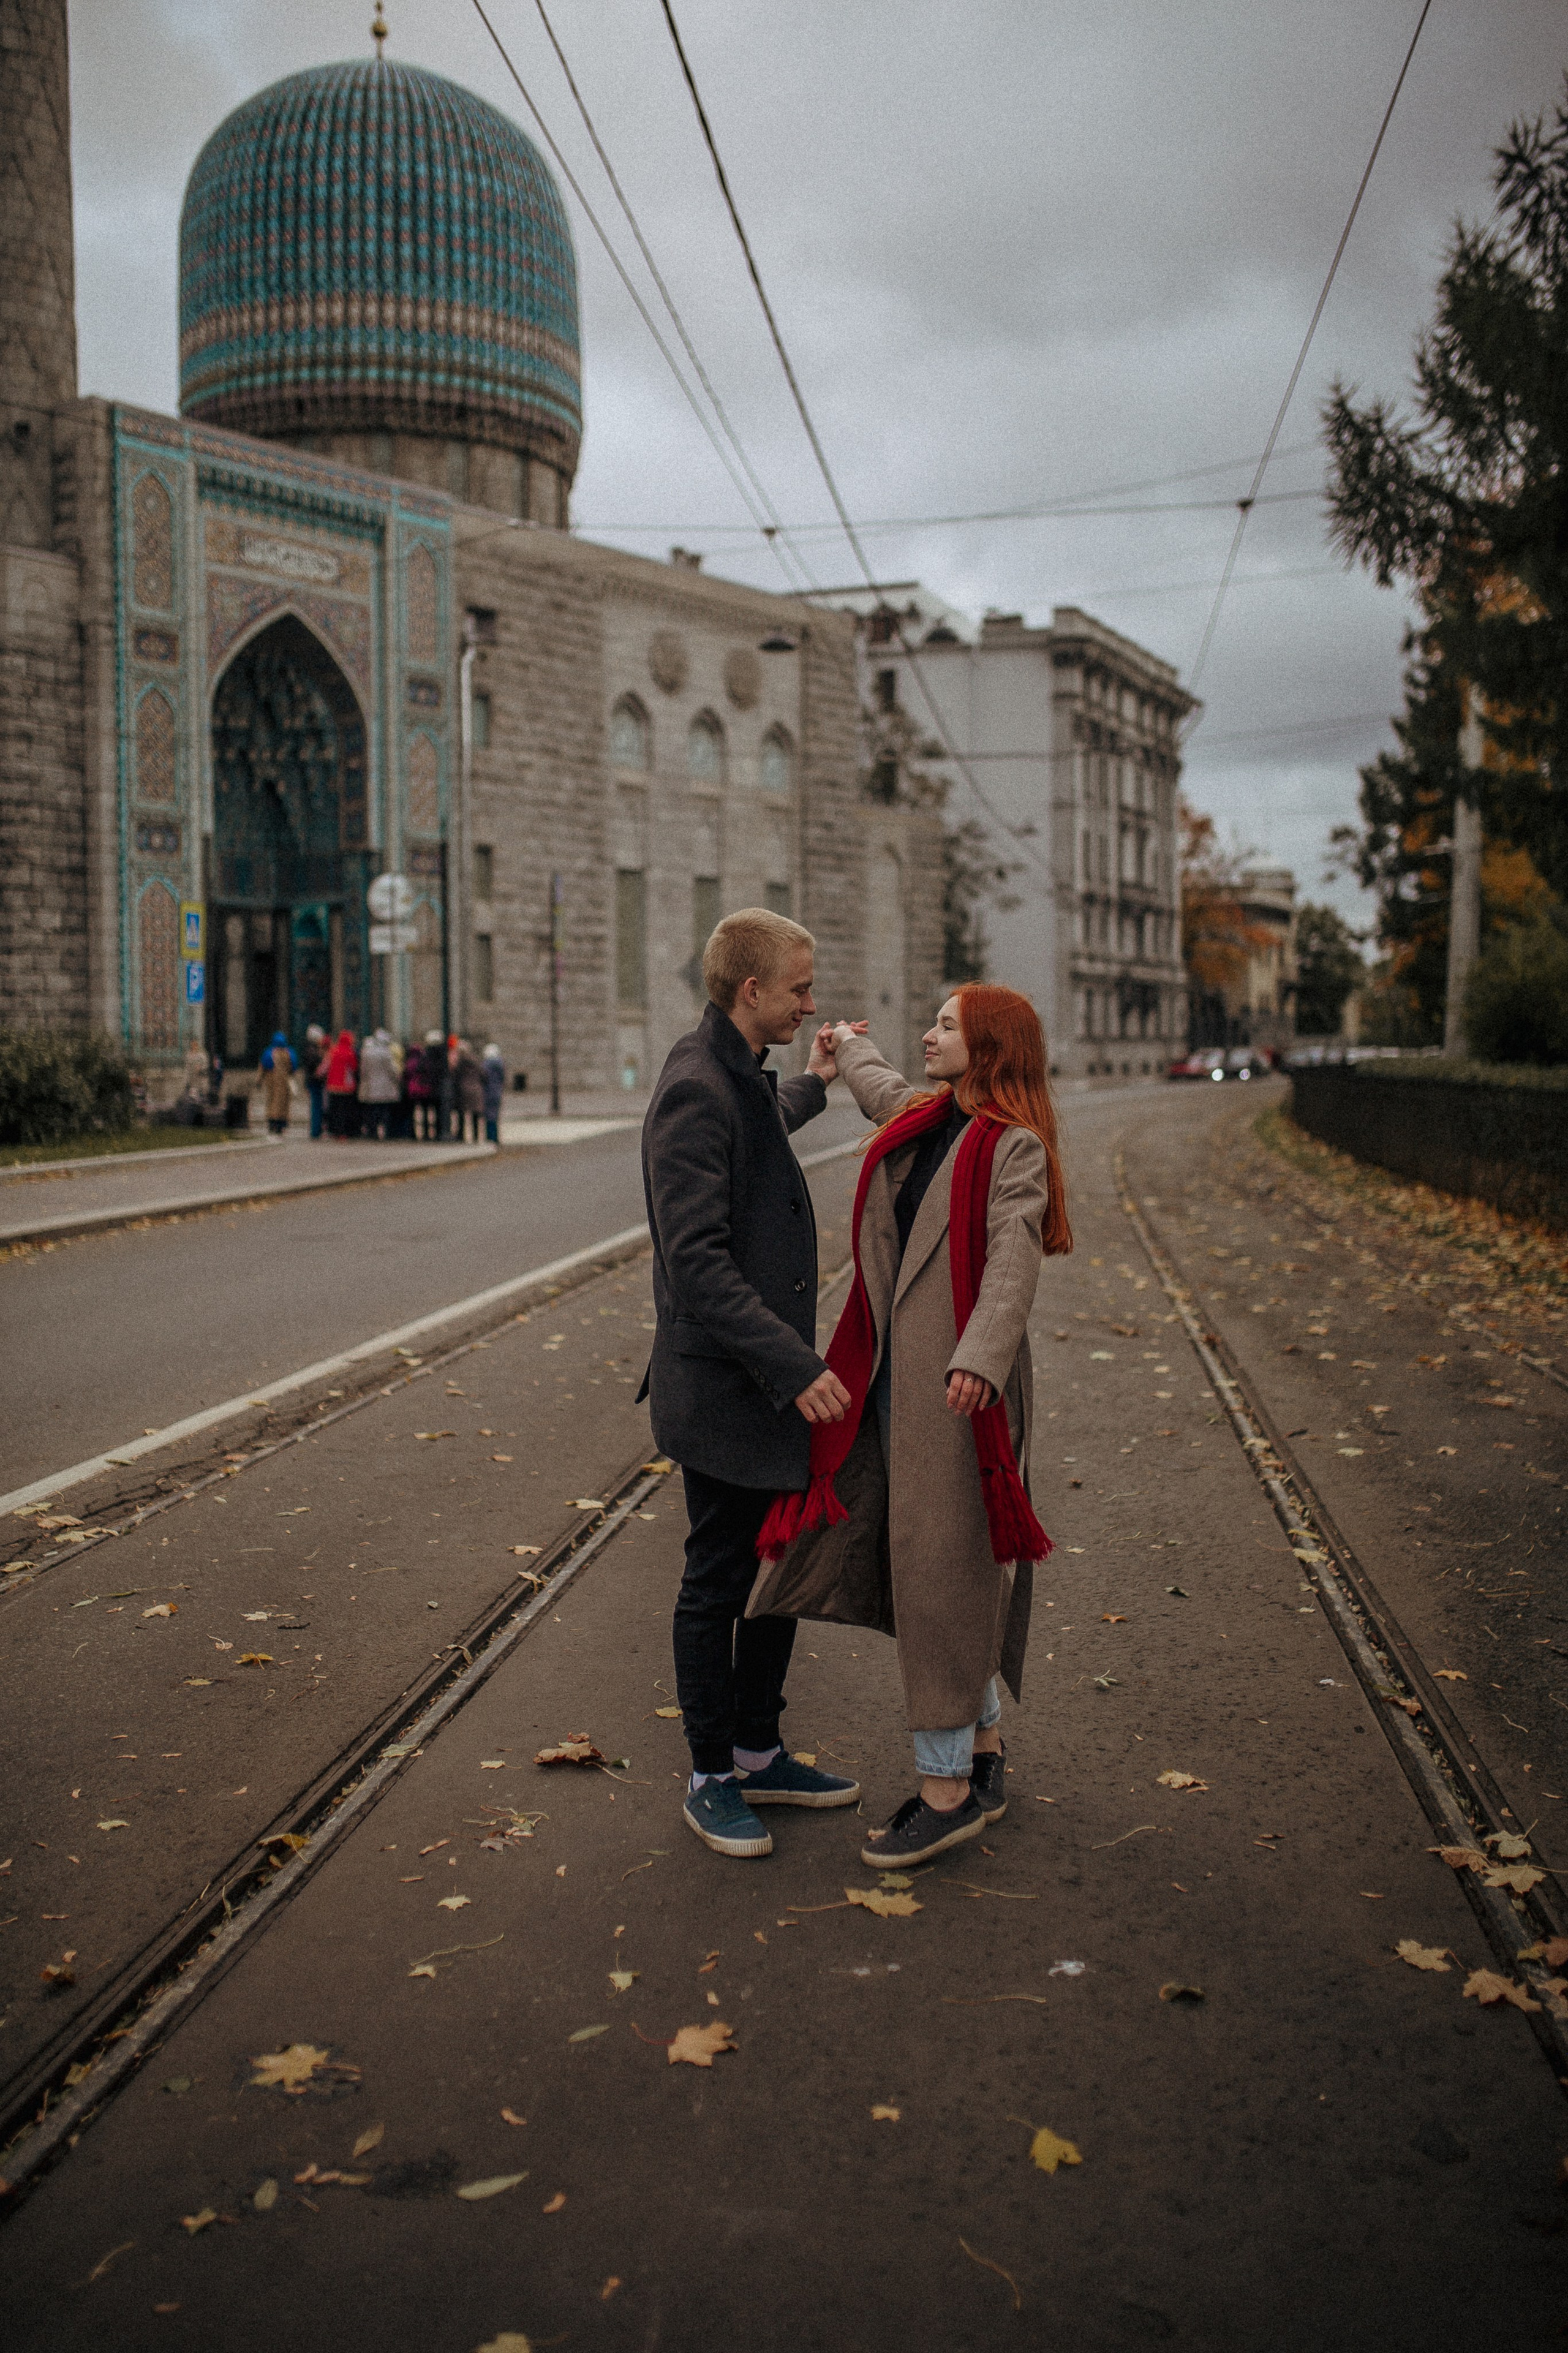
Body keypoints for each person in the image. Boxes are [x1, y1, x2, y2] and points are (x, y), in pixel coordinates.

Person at [748, 984, 1072, 1868]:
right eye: (929, 1023)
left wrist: (981, 1352)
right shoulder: (931, 1118)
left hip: (964, 1389)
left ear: (990, 1046)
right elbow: (882, 1084)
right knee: (936, 1561)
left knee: (941, 1564)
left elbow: (1014, 1254)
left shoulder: (1013, 1148)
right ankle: (983, 1751)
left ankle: (945, 1792)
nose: (928, 1036)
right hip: (896, 1377)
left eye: (945, 1025)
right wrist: (847, 1047)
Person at [638, 906, 863, 1859]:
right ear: (751, 991)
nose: (813, 1003)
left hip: (762, 1384)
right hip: (729, 1389)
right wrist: (793, 1362)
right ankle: (709, 1774)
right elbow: (697, 1262)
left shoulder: (734, 1076)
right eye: (800, 990)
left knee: (778, 1569)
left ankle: (760, 1749)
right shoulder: (694, 1088)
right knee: (720, 1576)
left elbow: (761, 1125)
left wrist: (813, 1085)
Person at [359, 1027, 400, 1140]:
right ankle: (386, 1133)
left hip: (371, 1086)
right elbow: (392, 1070)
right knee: (384, 1111)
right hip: (385, 1087)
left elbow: (363, 1071)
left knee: (372, 1111)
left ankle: (372, 1132)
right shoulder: (386, 1053)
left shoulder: (367, 1052)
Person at [322, 1027, 359, 1138]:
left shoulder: (334, 1051)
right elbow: (354, 1067)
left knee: (335, 1110)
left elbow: (325, 1066)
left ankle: (335, 1131)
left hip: (333, 1086)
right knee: (345, 1111)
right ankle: (344, 1132)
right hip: (346, 1086)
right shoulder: (350, 1052)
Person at [260, 1031, 294, 1136]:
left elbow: (262, 1067)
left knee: (271, 1101)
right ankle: (281, 1124)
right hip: (284, 1082)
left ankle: (272, 1122)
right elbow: (294, 1067)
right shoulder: (289, 1053)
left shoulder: (269, 1053)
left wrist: (259, 1081)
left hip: (271, 1081)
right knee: (283, 1102)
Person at [300, 1024, 328, 1139]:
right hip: (315, 1081)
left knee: (317, 1105)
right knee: (316, 1106)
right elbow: (313, 1066)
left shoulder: (310, 1048)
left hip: (314, 1080)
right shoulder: (312, 1050)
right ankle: (316, 1130)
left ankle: (317, 1129)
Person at [457, 1038, 485, 1142]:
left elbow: (456, 1075)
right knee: (475, 1116)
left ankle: (461, 1136)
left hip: (463, 1090)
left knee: (462, 1114)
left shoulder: (459, 1062)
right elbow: (483, 1074)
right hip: (476, 1089)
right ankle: (476, 1137)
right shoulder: (475, 1060)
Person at [481, 1043, 506, 1144]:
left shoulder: (485, 1065)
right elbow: (502, 1078)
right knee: (495, 1116)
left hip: (488, 1092)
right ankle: (495, 1137)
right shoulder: (501, 1064)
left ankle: (490, 1137)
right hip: (497, 1092)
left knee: (489, 1116)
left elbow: (483, 1077)